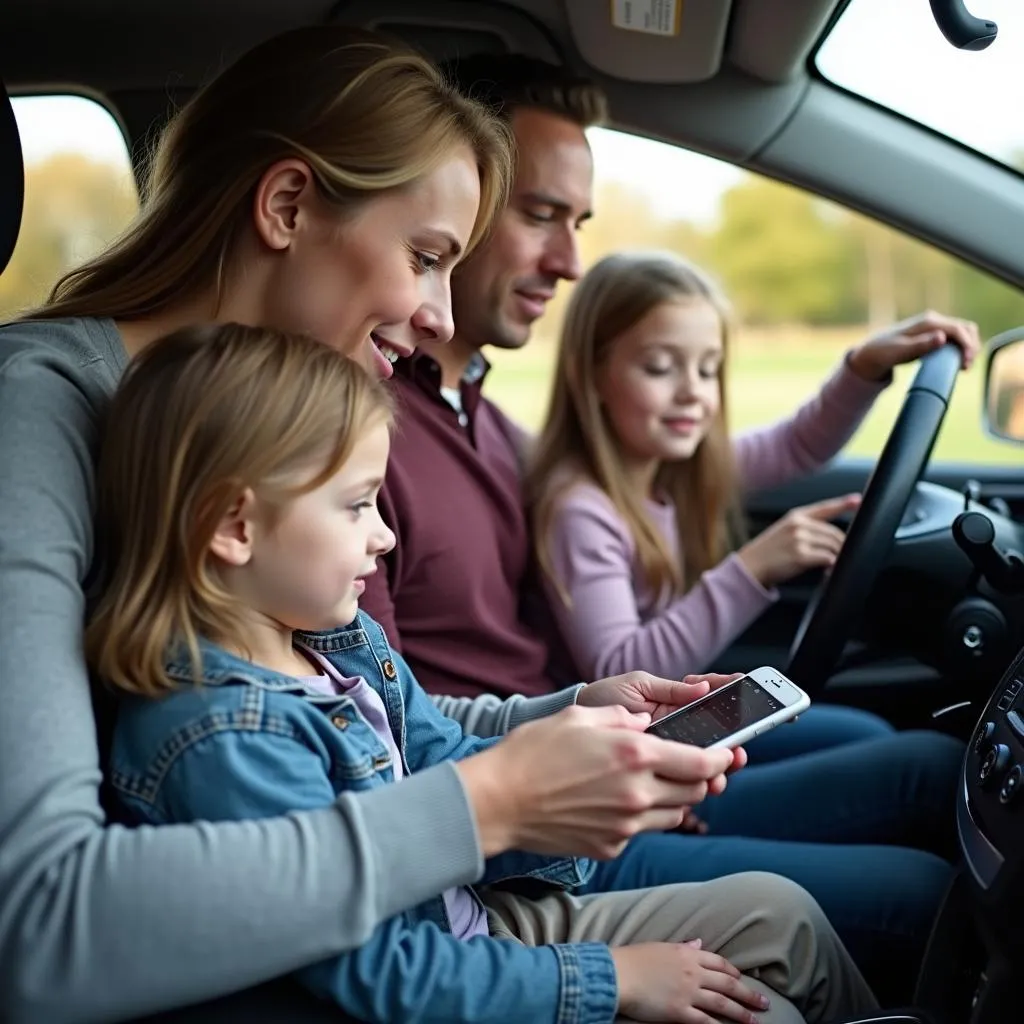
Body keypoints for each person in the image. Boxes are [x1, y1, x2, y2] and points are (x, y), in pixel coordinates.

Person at [0, 28, 739, 1024]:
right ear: (289, 205)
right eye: (427, 257)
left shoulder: (270, 448)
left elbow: (351, 711)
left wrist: (554, 726)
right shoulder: (31, 422)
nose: (441, 317)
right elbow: (41, 925)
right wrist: (490, 804)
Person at [357, 51, 971, 1002]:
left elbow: (751, 455)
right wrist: (585, 780)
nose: (568, 261)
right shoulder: (359, 448)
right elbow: (388, 739)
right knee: (927, 877)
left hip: (589, 765)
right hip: (544, 841)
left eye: (579, 224)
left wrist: (860, 369)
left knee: (925, 758)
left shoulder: (482, 423)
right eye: (539, 214)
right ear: (458, 203)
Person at [91, 321, 879, 1024]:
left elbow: (453, 770)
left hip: (470, 919)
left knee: (782, 914)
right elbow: (380, 972)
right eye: (358, 505)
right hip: (435, 968)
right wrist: (615, 980)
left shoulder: (335, 640)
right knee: (759, 1008)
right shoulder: (222, 738)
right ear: (235, 526)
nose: (385, 538)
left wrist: (593, 794)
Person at [528, 250, 983, 685]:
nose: (693, 391)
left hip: (671, 720)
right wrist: (752, 568)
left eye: (708, 370)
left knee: (869, 734)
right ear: (590, 374)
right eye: (660, 367)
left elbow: (798, 445)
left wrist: (864, 366)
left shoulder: (679, 471)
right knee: (917, 758)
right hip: (629, 743)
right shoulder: (581, 510)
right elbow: (619, 672)